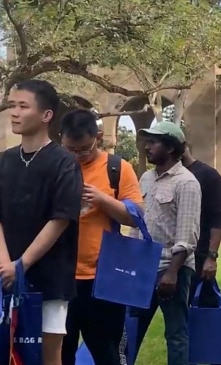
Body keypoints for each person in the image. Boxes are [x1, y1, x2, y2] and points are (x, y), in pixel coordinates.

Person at [0, 80, 83, 365]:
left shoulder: (64, 163)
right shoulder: (5, 161)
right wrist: (5, 265)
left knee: (48, 354)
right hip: (5, 276)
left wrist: (21, 265)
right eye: (12, 105)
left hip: (50, 278)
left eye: (23, 106)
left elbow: (59, 220)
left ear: (46, 115)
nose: (14, 112)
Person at [59, 110, 143, 365]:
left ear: (98, 137)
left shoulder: (117, 168)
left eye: (83, 150)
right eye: (70, 149)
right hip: (60, 278)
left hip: (103, 279)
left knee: (107, 353)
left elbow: (136, 217)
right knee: (60, 354)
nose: (77, 156)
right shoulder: (55, 166)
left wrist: (102, 199)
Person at [131, 122, 201, 365]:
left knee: (175, 333)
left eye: (153, 142)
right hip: (143, 268)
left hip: (173, 270)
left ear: (171, 147)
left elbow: (188, 235)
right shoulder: (146, 178)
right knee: (129, 330)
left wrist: (171, 273)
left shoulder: (187, 183)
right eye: (146, 141)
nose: (147, 147)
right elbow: (136, 223)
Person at [181, 145, 221, 307]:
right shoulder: (164, 174)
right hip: (167, 259)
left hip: (197, 259)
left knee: (197, 313)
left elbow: (217, 218)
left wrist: (211, 257)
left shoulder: (208, 176)